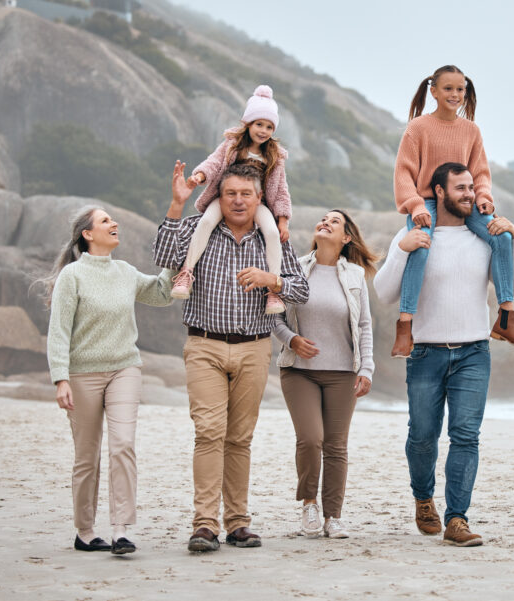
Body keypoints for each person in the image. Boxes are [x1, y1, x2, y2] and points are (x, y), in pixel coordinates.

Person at [154, 160, 309, 553]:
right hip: (204, 344)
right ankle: (204, 524)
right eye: (230, 194)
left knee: (239, 438)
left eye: (246, 194)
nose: (238, 201)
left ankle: (238, 523)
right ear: (219, 197)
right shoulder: (196, 229)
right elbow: (164, 255)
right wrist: (176, 205)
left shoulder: (272, 239)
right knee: (209, 433)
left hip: (255, 347)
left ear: (260, 198)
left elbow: (301, 290)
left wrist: (270, 279)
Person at [373, 162, 514, 547]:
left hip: (474, 351)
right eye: (460, 188)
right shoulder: (414, 232)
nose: (469, 194)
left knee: (465, 436)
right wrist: (400, 250)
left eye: (471, 187)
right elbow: (383, 292)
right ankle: (423, 496)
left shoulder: (486, 237)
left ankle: (457, 518)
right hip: (426, 353)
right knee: (423, 437)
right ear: (439, 192)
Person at [44, 205, 175, 555]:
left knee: (122, 445)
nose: (114, 223)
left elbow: (162, 293)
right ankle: (85, 531)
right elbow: (58, 331)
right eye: (105, 221)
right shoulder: (72, 276)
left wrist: (177, 258)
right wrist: (61, 378)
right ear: (88, 234)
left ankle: (120, 530)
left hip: (124, 369)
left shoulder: (125, 271)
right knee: (87, 456)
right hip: (82, 373)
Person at [391, 65, 514, 358]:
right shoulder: (418, 128)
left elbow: (480, 172)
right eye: (448, 89)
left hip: (466, 201)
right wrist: (416, 205)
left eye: (460, 90)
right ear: (433, 91)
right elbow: (404, 173)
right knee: (420, 245)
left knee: (502, 237)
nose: (455, 95)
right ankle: (405, 327)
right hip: (428, 200)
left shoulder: (471, 130)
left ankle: (506, 318)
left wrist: (483, 198)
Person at [273, 209, 378, 539]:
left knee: (336, 446)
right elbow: (273, 316)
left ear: (346, 237)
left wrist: (367, 368)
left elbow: (364, 326)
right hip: (298, 371)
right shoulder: (293, 268)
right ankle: (309, 505)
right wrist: (292, 339)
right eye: (323, 219)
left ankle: (333, 516)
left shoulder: (355, 276)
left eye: (334, 222)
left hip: (342, 372)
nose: (325, 223)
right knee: (310, 439)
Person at [172, 84, 293, 315]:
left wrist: (283, 219)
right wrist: (199, 175)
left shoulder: (275, 156)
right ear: (248, 124)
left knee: (271, 233)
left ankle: (274, 289)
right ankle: (186, 274)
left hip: (257, 202)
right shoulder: (232, 145)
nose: (263, 130)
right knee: (206, 222)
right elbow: (214, 162)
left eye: (269, 127)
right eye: (259, 124)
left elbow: (281, 189)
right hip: (227, 197)